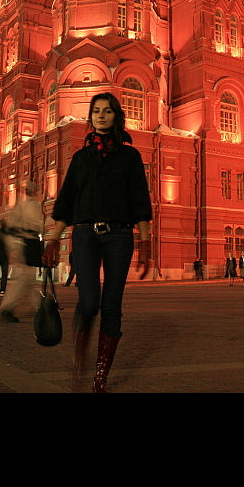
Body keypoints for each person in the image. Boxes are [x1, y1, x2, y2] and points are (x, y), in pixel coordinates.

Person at [41, 92, 152, 393]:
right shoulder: (81, 158)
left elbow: (140, 201)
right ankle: (80, 358)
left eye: (107, 111)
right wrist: (53, 240)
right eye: (96, 111)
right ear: (91, 118)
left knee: (112, 305)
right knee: (89, 301)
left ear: (117, 116)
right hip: (85, 234)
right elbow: (66, 201)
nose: (101, 116)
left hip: (119, 235)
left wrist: (145, 243)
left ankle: (100, 375)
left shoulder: (130, 156)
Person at [0, 180, 45, 322]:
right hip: (27, 243)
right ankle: (7, 307)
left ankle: (39, 306)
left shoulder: (21, 205)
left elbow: (13, 226)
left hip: (23, 242)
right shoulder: (32, 206)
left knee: (28, 278)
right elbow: (35, 226)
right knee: (25, 277)